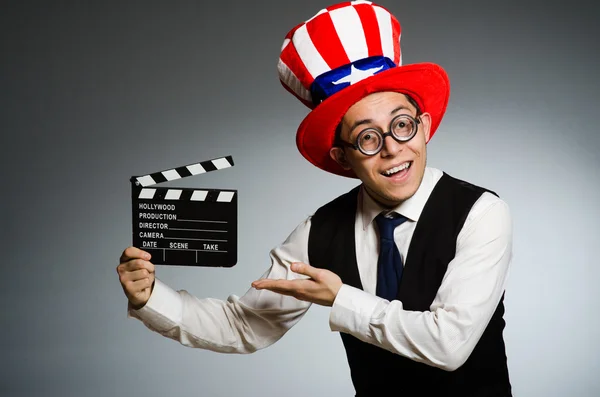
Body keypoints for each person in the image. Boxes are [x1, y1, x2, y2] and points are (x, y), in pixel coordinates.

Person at [117, 1, 513, 396]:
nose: (392, 149)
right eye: (368, 137)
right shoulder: (319, 232)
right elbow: (246, 325)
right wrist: (152, 297)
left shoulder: (481, 214)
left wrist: (341, 298)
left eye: (402, 125)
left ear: (423, 127)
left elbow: (449, 344)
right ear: (342, 156)